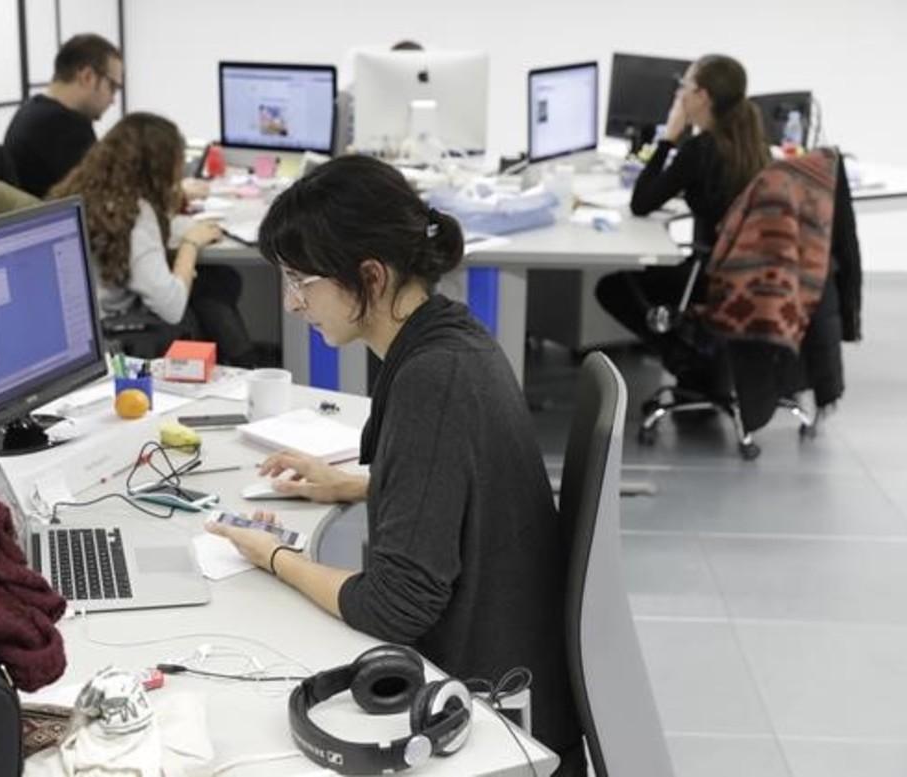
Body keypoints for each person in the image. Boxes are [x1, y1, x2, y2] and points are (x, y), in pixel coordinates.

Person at [205, 155, 586, 775]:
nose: (293, 304)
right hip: (507, 669)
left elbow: (394, 607)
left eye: (301, 281)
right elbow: (458, 481)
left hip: (491, 709)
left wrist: (273, 557)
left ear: (371, 277)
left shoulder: (433, 378)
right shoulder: (448, 337)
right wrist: (350, 485)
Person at [595, 54, 770, 389]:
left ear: (702, 96)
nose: (679, 94)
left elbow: (642, 203)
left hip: (710, 277)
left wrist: (668, 138)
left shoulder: (701, 149)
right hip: (751, 274)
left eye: (685, 86)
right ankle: (698, 356)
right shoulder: (753, 145)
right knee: (650, 277)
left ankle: (685, 363)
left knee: (614, 288)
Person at [48, 113, 257, 364]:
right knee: (212, 286)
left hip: (72, 326)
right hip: (109, 331)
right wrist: (190, 244)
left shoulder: (85, 192)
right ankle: (246, 365)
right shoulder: (134, 215)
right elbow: (171, 307)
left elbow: (152, 237)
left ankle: (243, 361)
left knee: (219, 279)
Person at [3, 34, 123, 198]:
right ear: (87, 76)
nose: (113, 100)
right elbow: (101, 198)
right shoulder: (65, 128)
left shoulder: (33, 109)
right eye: (112, 86)